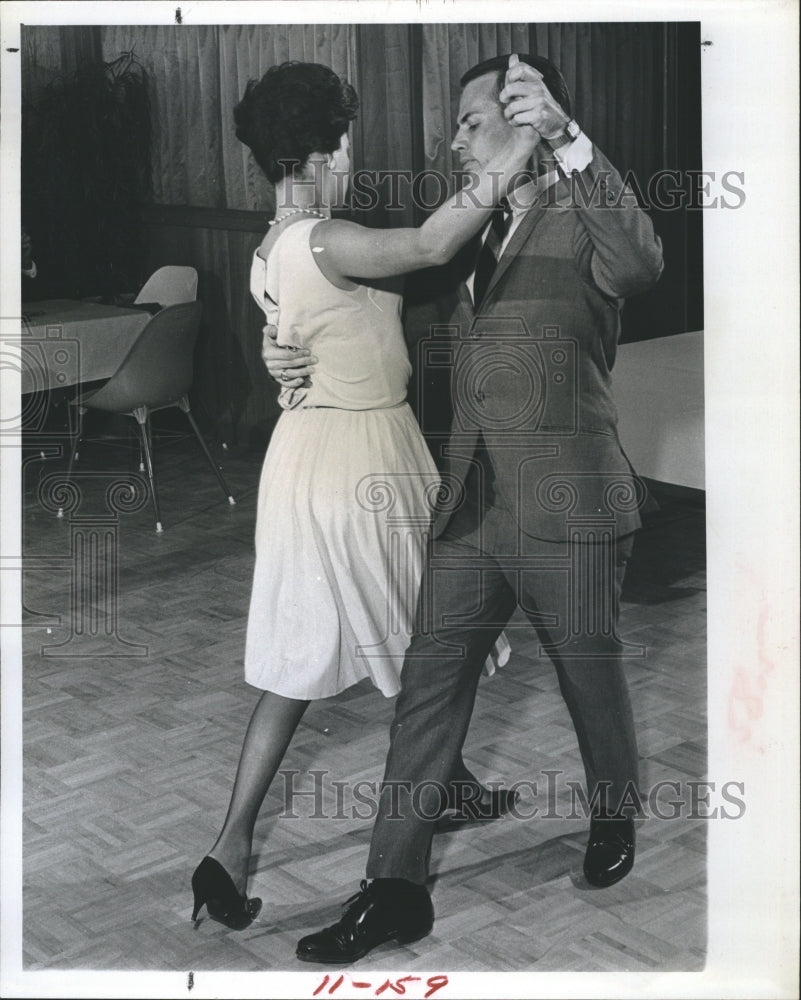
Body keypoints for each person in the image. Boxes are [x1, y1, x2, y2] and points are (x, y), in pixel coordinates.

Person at [292, 53, 664, 963]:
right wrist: (291, 353)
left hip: (568, 500)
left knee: (590, 682)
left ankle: (612, 813)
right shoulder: (461, 228)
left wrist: (572, 140)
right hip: (471, 503)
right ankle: (394, 887)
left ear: (529, 123)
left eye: (470, 121)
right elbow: (375, 310)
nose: (451, 138)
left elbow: (644, 261)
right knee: (428, 689)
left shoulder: (585, 213)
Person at [190, 59, 539, 931]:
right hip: (362, 462)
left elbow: (337, 323)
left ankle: (226, 851)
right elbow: (427, 246)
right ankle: (424, 815)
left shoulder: (266, 251)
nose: (350, 156)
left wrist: (283, 363)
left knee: (298, 661)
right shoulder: (328, 237)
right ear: (328, 148)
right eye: (346, 141)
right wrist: (530, 137)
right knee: (435, 635)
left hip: (303, 459)